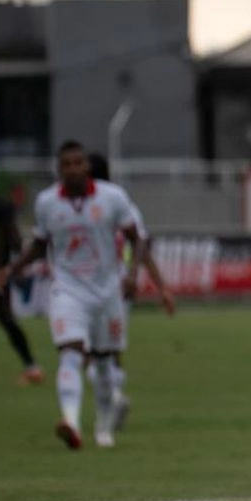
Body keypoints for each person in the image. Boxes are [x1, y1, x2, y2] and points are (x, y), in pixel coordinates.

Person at [0, 141, 144, 449]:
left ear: (87, 166)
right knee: (71, 353)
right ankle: (71, 422)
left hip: (107, 292)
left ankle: (103, 426)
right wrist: (13, 268)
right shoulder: (48, 202)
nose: (73, 169)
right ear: (59, 170)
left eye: (78, 163)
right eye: (67, 164)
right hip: (67, 290)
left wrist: (131, 275)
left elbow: (135, 239)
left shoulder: (111, 197)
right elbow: (39, 244)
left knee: (103, 363)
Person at [84, 153, 176, 431]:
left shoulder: (82, 208)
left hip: (91, 287)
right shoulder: (126, 205)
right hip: (122, 286)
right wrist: (160, 287)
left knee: (86, 350)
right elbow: (142, 247)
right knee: (112, 349)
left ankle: (113, 398)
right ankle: (112, 404)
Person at [0, 172, 44, 384]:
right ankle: (32, 366)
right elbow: (16, 241)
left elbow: (14, 240)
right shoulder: (1, 207)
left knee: (6, 319)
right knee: (5, 320)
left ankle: (33, 367)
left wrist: (13, 266)